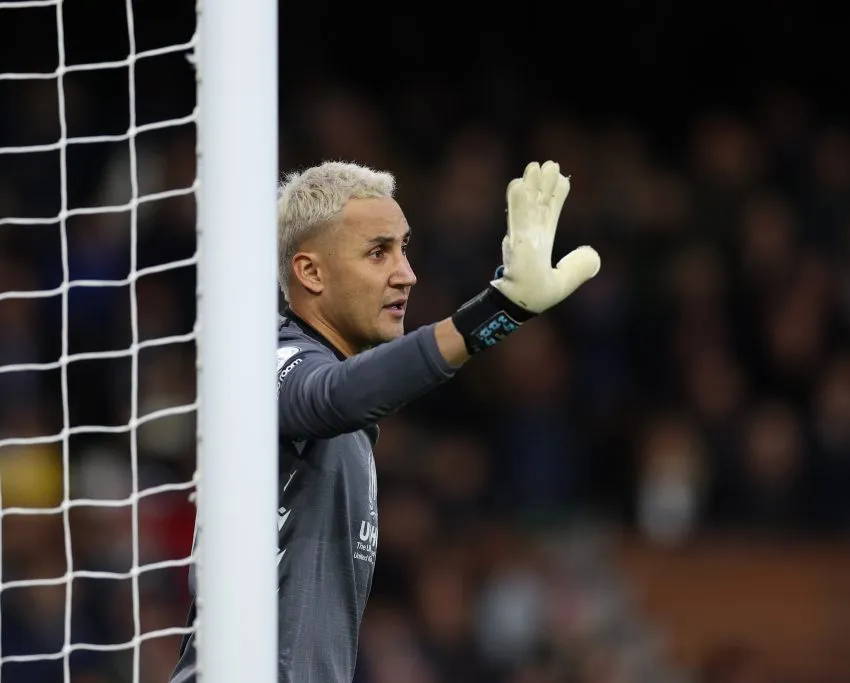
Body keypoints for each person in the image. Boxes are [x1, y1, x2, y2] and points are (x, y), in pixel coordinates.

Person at [170, 160, 601, 683]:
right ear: (310, 273)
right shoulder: (273, 361)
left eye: (404, 248)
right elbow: (330, 395)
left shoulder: (344, 424)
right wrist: (498, 308)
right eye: (379, 252)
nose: (407, 273)